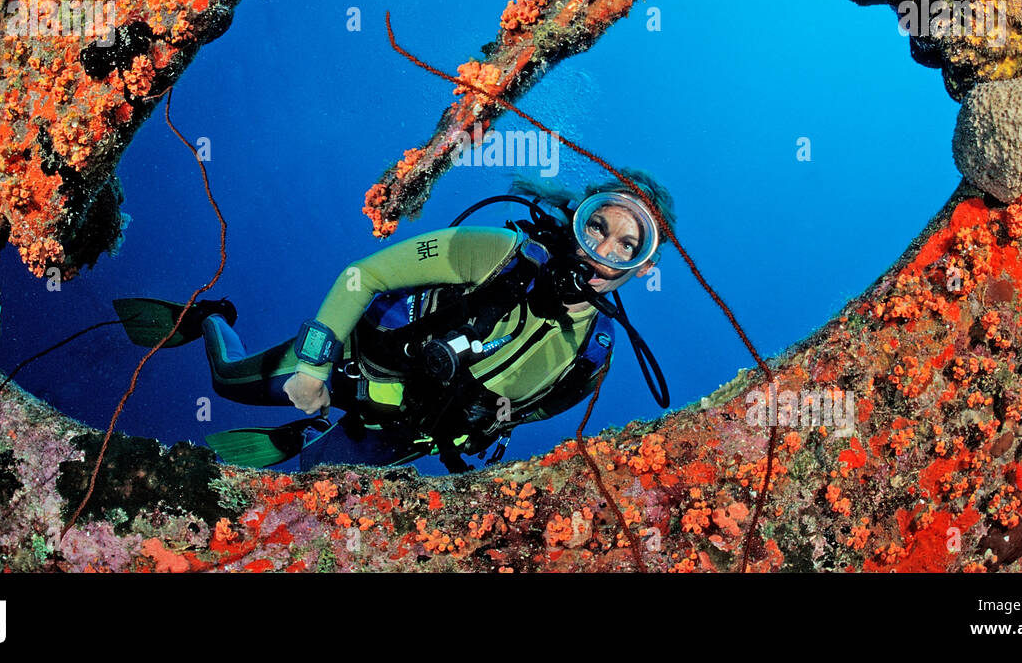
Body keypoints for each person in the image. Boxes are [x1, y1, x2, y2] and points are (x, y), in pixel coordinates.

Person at [115, 169, 675, 472]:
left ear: (643, 265)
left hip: (399, 436)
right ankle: (212, 317)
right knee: (225, 381)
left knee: (297, 497)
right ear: (576, 220)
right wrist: (312, 367)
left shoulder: (591, 359)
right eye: (597, 225)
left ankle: (308, 438)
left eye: (628, 244)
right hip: (345, 366)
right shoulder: (499, 252)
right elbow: (365, 275)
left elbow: (512, 418)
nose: (601, 250)